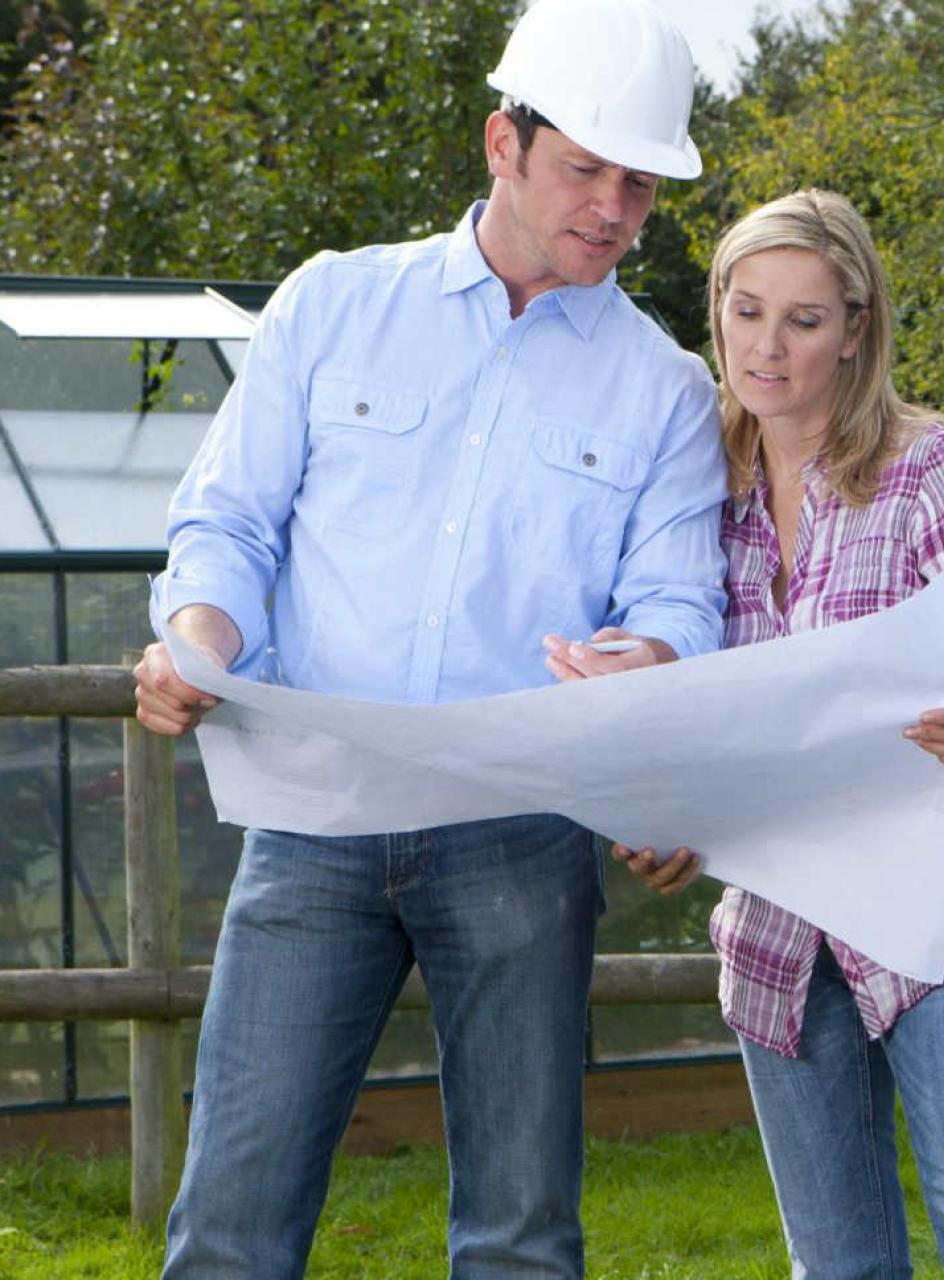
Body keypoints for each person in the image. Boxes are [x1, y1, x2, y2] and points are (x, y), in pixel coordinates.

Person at [129, 1, 726, 1275]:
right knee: (230, 1224)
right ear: (501, 142)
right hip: (310, 819)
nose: (616, 210)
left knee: (519, 1235)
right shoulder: (332, 304)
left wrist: (650, 668)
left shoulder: (668, 388)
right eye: (587, 170)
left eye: (643, 184)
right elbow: (229, 526)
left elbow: (679, 607)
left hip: (522, 832)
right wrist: (197, 640)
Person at [603, 189, 944, 1279]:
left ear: (858, 330)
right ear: (715, 309)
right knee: (840, 1267)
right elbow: (687, 703)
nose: (766, 347)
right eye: (746, 309)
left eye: (805, 320)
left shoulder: (931, 470)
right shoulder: (696, 492)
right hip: (781, 932)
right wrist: (665, 821)